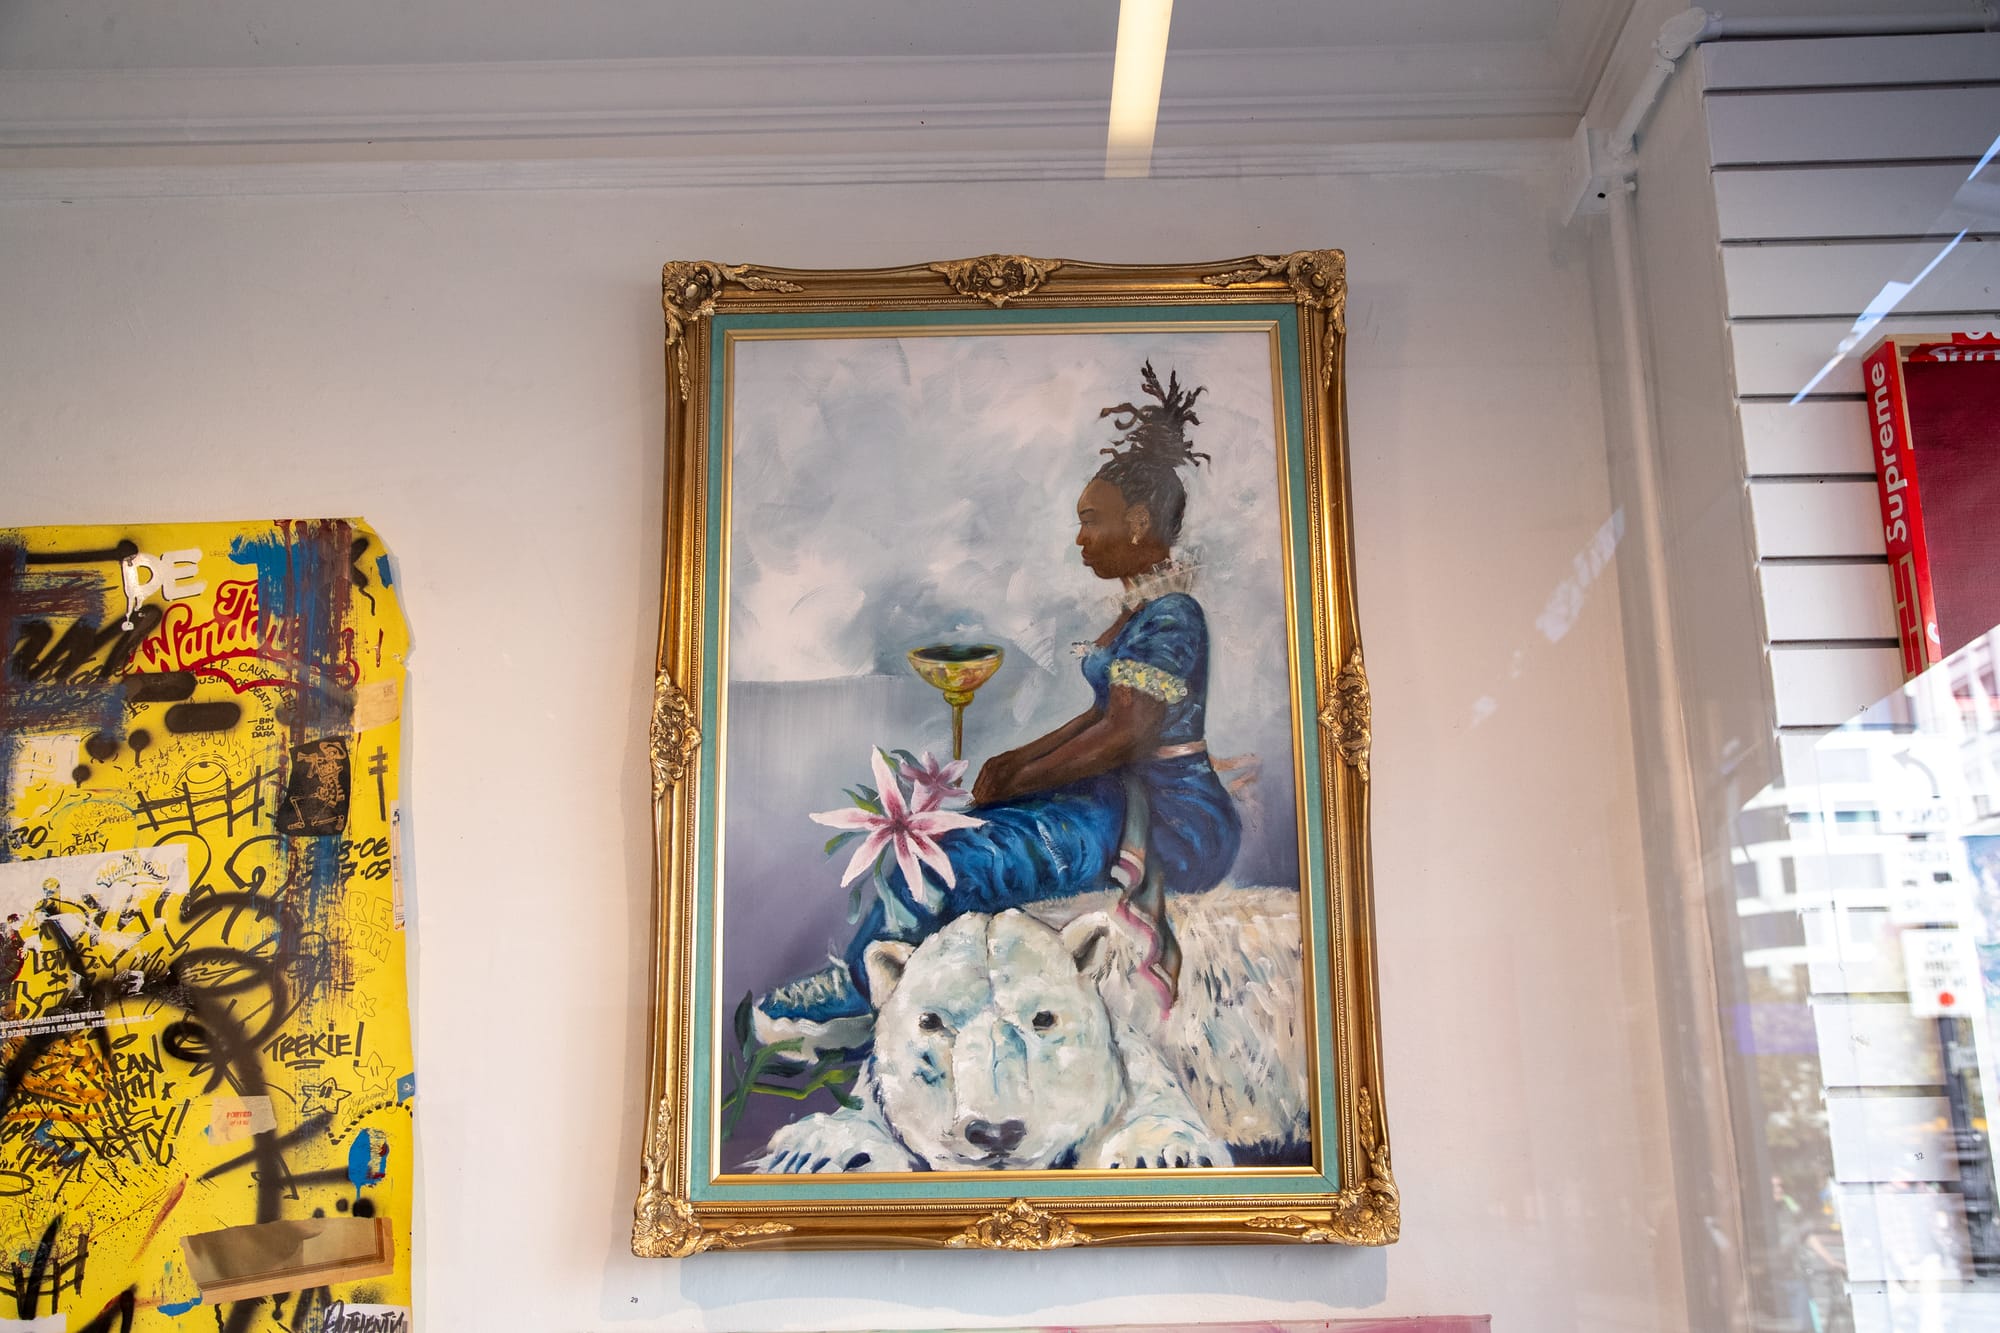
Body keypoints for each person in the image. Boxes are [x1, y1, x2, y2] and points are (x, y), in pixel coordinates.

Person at [755, 362, 1242, 1056]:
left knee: (956, 856)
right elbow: (1102, 717)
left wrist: (1024, 777)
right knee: (963, 829)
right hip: (1122, 797)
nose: (1079, 539)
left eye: (1090, 521)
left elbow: (1129, 731)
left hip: (1170, 820)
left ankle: (857, 990)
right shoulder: (1146, 613)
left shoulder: (1173, 615)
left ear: (1137, 523)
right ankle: (877, 981)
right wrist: (1016, 763)